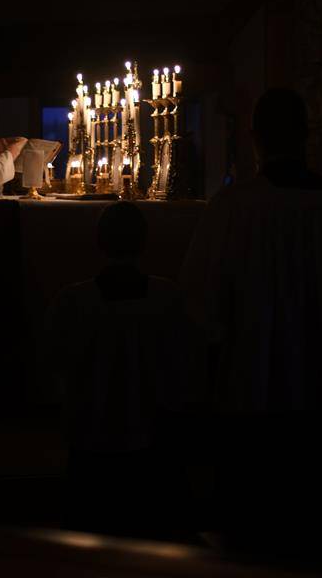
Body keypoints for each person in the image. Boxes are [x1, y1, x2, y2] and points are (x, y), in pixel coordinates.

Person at [180, 87, 322, 551]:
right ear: (306, 135)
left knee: (257, 536)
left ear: (255, 138)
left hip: (255, 396)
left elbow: (198, 306)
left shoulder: (233, 209)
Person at [45, 201, 206, 535]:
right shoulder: (169, 297)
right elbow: (186, 365)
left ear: (99, 241)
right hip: (155, 436)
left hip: (93, 436)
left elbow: (55, 367)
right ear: (145, 242)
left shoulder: (72, 301)